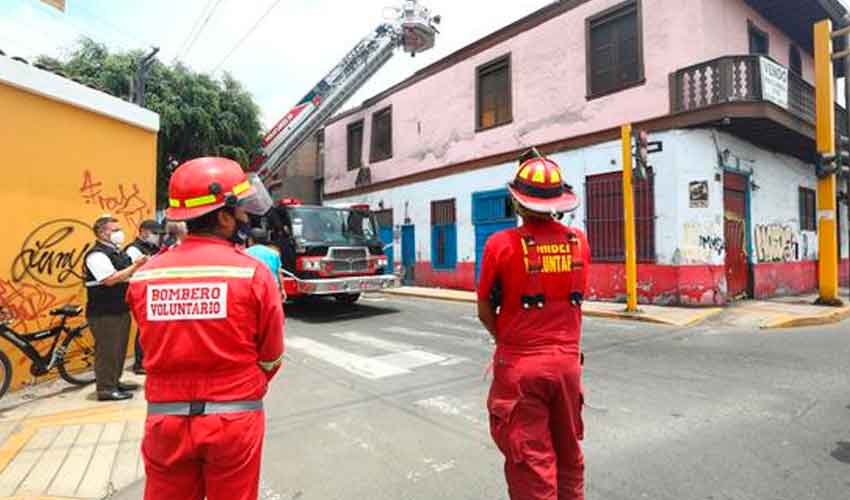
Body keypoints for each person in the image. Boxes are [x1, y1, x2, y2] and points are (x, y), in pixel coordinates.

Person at [126, 157, 284, 500]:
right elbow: (271, 354)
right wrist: (252, 382)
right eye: (241, 210)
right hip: (234, 417)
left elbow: (151, 340)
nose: (247, 218)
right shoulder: (253, 273)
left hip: (165, 420)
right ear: (225, 217)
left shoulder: (145, 275)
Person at [477, 150, 591, 500]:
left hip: (522, 370)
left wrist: (506, 340)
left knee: (531, 462)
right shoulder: (579, 242)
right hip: (568, 367)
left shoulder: (501, 244)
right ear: (559, 201)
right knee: (569, 455)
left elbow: (484, 308)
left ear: (517, 202)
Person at [83, 215, 147, 401]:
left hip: (119, 309)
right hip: (104, 312)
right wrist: (135, 266)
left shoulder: (116, 252)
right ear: (102, 232)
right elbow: (109, 279)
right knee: (107, 351)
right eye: (115, 230)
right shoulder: (97, 254)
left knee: (118, 349)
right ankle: (105, 388)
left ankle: (115, 381)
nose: (119, 233)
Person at [125, 219, 164, 374]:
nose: (157, 237)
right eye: (154, 233)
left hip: (154, 291)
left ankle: (150, 359)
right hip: (141, 292)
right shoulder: (133, 249)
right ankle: (140, 363)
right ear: (143, 231)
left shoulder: (154, 247)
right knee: (144, 328)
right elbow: (139, 270)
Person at [246, 227, 284, 292]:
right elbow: (279, 273)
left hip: (252, 288)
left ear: (251, 240)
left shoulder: (245, 253)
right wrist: (282, 289)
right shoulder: (274, 253)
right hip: (272, 288)